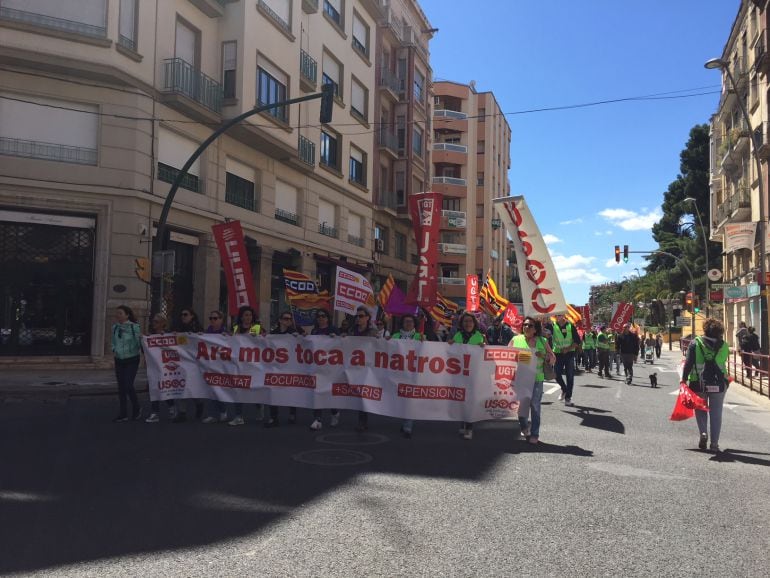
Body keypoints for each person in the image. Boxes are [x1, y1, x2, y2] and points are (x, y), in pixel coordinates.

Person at [681, 318, 730, 452]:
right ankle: (714, 444)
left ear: (705, 330)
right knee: (716, 413)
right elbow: (724, 361)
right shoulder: (724, 345)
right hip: (718, 383)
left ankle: (703, 432)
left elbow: (688, 363)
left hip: (698, 383)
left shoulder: (694, 344)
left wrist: (684, 379)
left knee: (701, 410)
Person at [511, 316, 555, 444]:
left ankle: (535, 434)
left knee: (535, 407)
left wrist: (545, 356)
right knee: (522, 407)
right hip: (521, 378)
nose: (526, 327)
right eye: (524, 325)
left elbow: (553, 358)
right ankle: (524, 427)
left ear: (535, 329)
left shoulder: (542, 341)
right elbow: (507, 355)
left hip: (537, 379)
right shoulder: (515, 339)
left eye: (530, 325)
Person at [389, 314, 425, 438]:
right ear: (402, 323)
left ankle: (407, 425)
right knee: (400, 398)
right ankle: (404, 420)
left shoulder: (419, 336)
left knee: (410, 398)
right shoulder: (395, 336)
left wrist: (424, 342)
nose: (408, 324)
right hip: (398, 371)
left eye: (411, 321)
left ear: (414, 324)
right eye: (406, 321)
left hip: (413, 372)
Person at [265, 311, 302, 427]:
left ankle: (292, 413)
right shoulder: (274, 333)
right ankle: (273, 417)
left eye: (290, 319)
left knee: (291, 389)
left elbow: (305, 341)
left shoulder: (293, 332)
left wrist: (299, 337)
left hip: (290, 366)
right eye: (286, 319)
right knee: (273, 390)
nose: (288, 321)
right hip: (276, 366)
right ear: (280, 320)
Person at [228, 306, 263, 426]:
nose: (248, 317)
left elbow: (257, 341)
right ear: (241, 316)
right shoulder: (236, 328)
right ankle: (238, 416)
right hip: (238, 364)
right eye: (246, 315)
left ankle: (259, 406)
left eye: (250, 315)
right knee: (238, 389)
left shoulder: (256, 328)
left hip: (252, 364)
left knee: (253, 389)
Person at [453, 312, 485, 439]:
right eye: (465, 321)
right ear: (462, 323)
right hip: (459, 374)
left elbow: (484, 355)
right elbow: (450, 353)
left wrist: (484, 347)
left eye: (470, 321)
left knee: (470, 401)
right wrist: (449, 344)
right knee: (461, 401)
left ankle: (469, 427)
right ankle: (462, 424)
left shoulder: (479, 336)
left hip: (473, 375)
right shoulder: (457, 335)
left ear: (474, 323)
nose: (468, 324)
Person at [348, 306, 379, 432]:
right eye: (357, 316)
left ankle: (362, 421)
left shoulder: (373, 332)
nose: (358, 318)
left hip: (368, 366)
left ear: (367, 318)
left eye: (361, 316)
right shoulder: (351, 331)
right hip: (353, 365)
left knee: (363, 393)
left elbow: (379, 346)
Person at [309, 309, 341, 430]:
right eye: (318, 316)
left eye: (323, 316)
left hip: (330, 366)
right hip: (317, 366)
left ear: (327, 318)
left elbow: (341, 344)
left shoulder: (333, 330)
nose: (321, 318)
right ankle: (318, 419)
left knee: (328, 392)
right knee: (317, 392)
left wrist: (336, 337)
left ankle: (334, 412)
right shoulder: (314, 330)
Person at [171, 308, 204, 422]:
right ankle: (182, 412)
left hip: (194, 363)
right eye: (181, 315)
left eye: (185, 314)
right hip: (181, 361)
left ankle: (199, 403)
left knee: (191, 386)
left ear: (192, 316)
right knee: (181, 386)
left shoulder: (198, 329)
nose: (183, 317)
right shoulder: (178, 328)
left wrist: (199, 335)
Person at [111, 305, 142, 422]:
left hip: (132, 359)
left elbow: (139, 342)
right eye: (117, 313)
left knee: (128, 384)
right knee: (121, 387)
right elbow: (113, 341)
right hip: (119, 359)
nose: (117, 315)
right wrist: (114, 349)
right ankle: (123, 413)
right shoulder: (114, 327)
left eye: (120, 313)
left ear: (127, 315)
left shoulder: (134, 327)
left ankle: (136, 407)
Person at [144, 314, 176, 423]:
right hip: (154, 367)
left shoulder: (167, 334)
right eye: (153, 321)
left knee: (164, 388)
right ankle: (155, 413)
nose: (154, 324)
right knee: (154, 388)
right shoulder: (151, 335)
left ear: (163, 323)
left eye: (156, 322)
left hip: (165, 366)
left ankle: (171, 406)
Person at [202, 311, 230, 424]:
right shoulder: (207, 332)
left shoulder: (225, 333)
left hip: (222, 365)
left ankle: (223, 412)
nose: (212, 320)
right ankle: (213, 413)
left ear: (221, 320)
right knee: (212, 389)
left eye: (215, 318)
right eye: (211, 318)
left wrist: (227, 337)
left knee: (219, 389)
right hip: (209, 364)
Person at [548, 313, 580, 406]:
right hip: (558, 354)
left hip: (569, 354)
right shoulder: (552, 326)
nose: (558, 317)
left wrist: (568, 348)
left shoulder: (570, 326)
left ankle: (568, 398)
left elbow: (577, 341)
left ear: (564, 316)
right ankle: (564, 389)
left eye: (560, 315)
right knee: (556, 374)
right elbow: (545, 334)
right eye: (556, 315)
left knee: (570, 376)